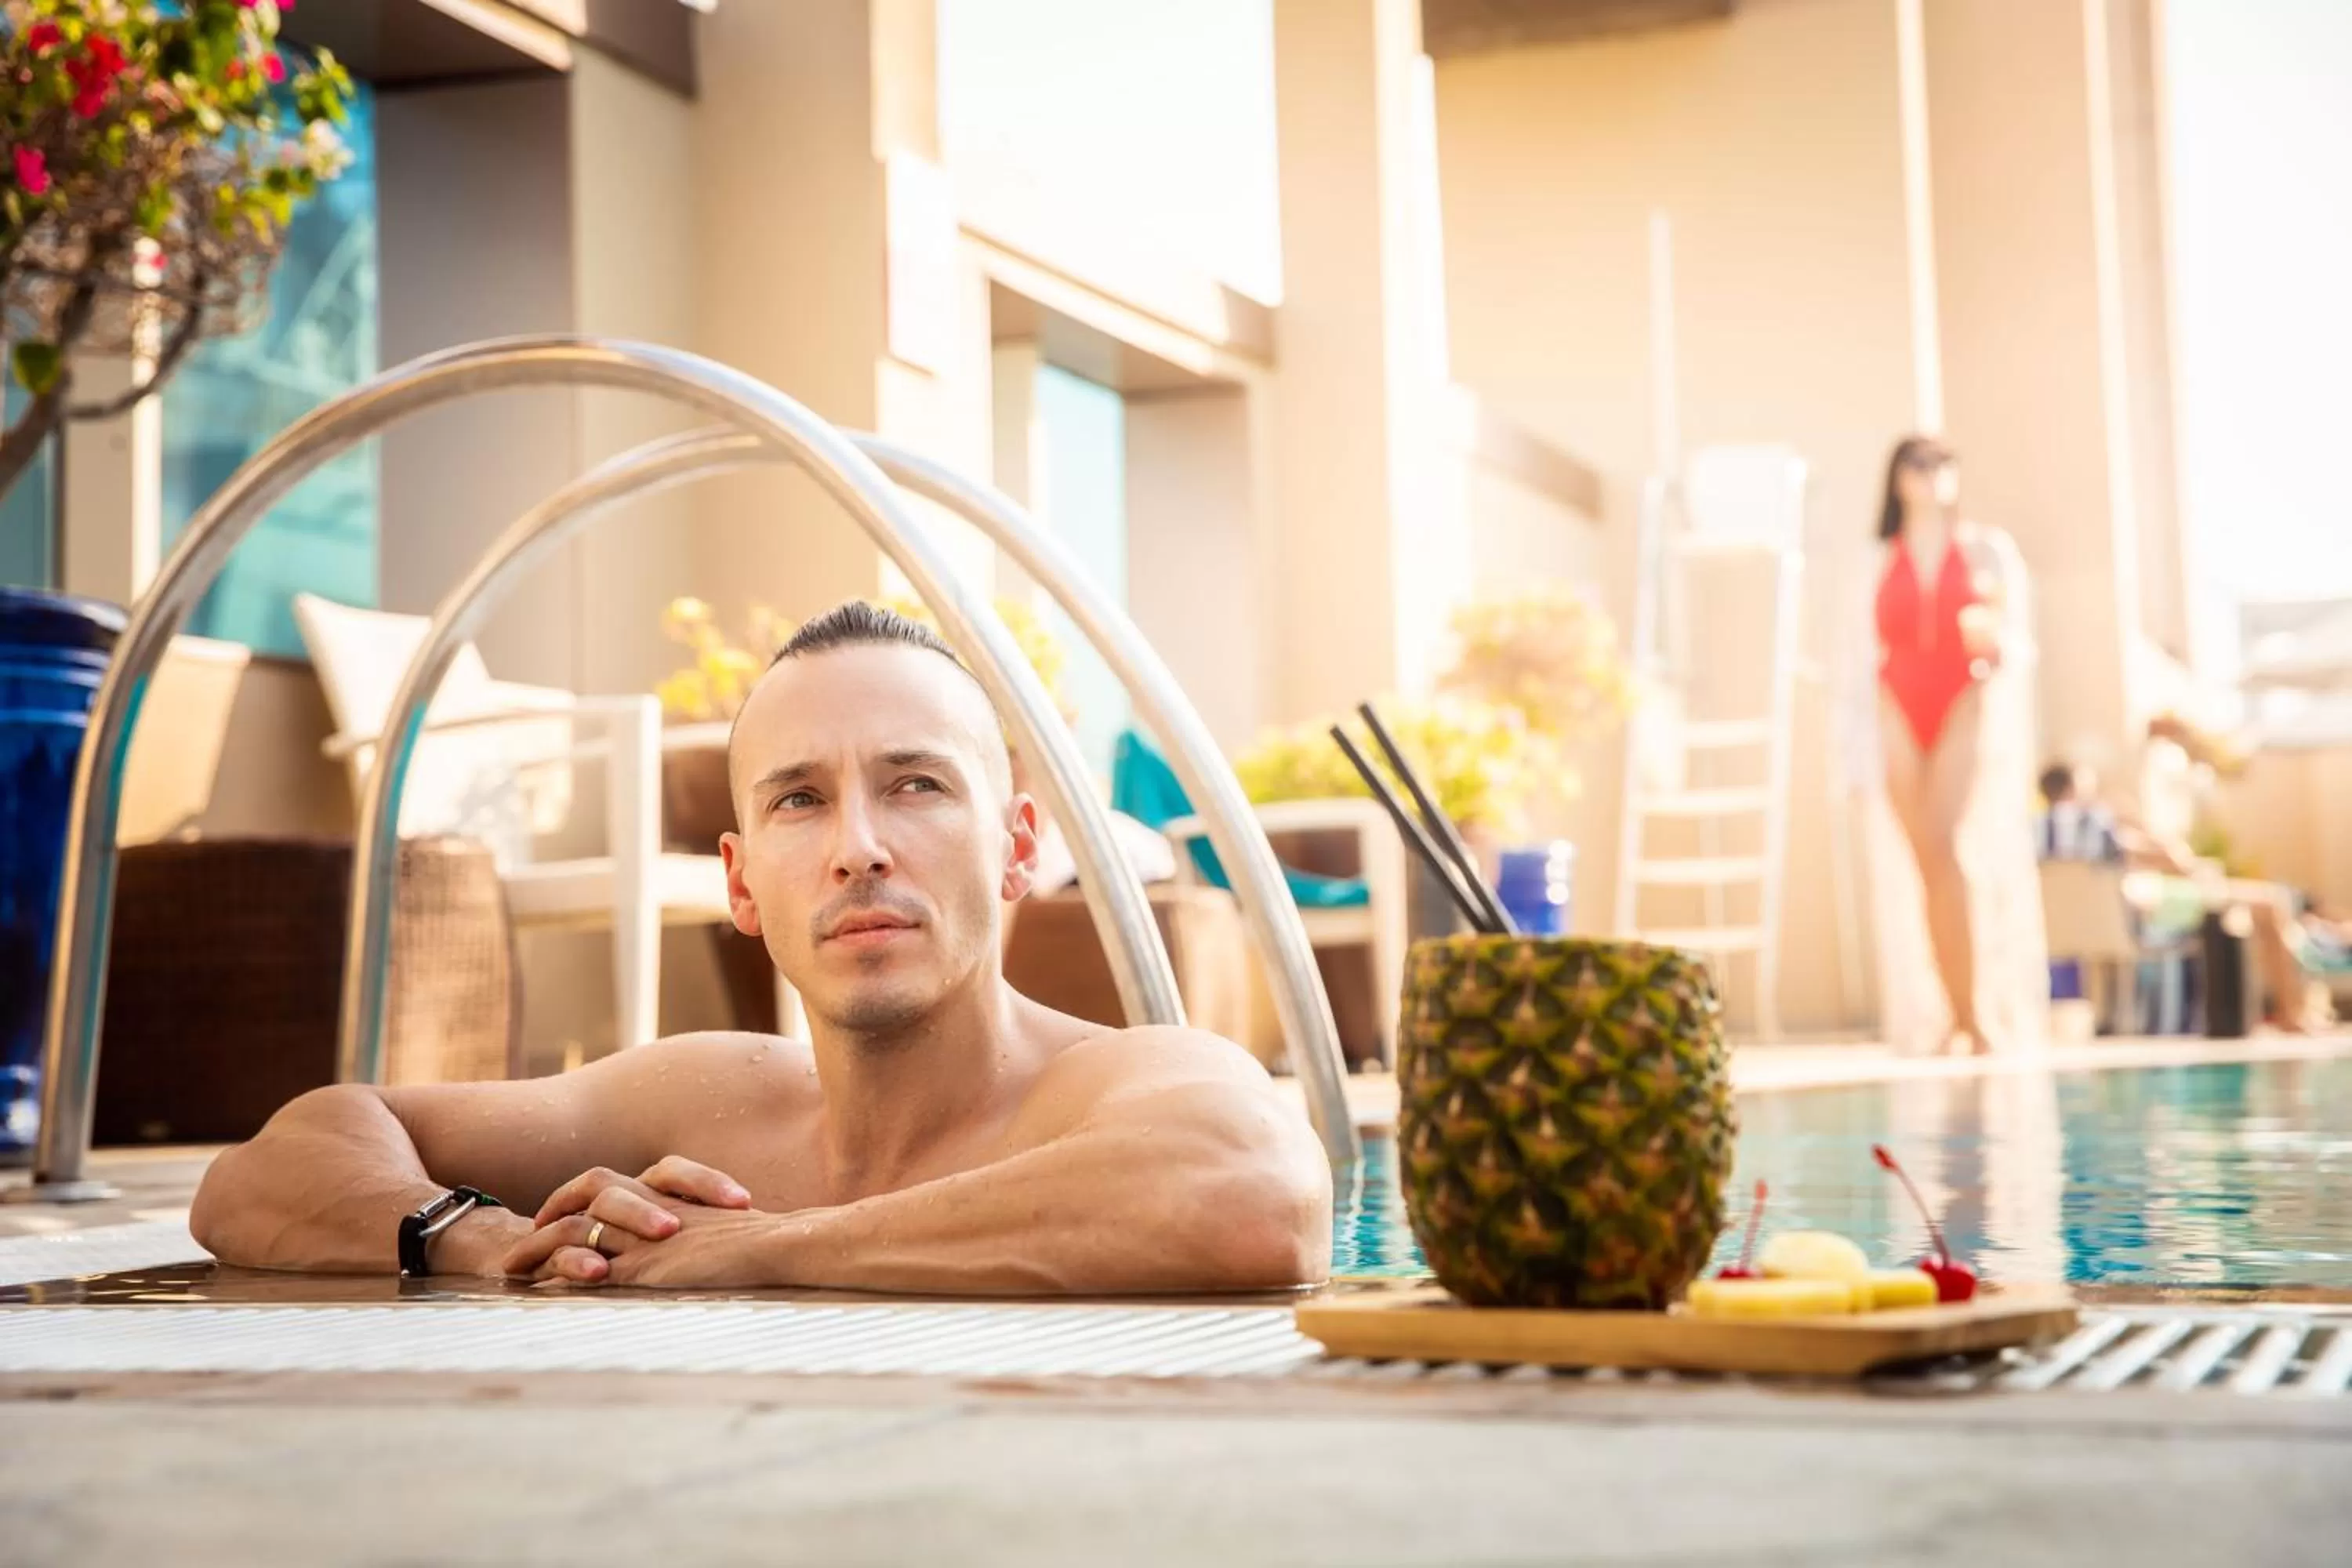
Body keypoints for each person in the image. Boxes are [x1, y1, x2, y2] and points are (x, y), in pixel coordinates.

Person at [191, 602, 1333, 1293]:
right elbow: (272, 1167)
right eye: (800, 801)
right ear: (741, 882)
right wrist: (476, 1240)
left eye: (917, 785)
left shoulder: (1103, 1086)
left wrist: (771, 1249)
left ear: (1016, 848)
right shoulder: (703, 1101)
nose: (860, 849)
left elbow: (1258, 1197)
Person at [1859, 436, 2046, 1054]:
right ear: (1897, 479)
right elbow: (1854, 652)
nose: (1930, 476)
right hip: (1895, 704)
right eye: (1917, 465)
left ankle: (1975, 1013)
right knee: (1920, 866)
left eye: (1942, 464)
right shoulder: (1875, 558)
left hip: (1964, 698)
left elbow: (2017, 640)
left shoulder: (1987, 550)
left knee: (1949, 849)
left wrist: (1996, 651)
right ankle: (1944, 1009)